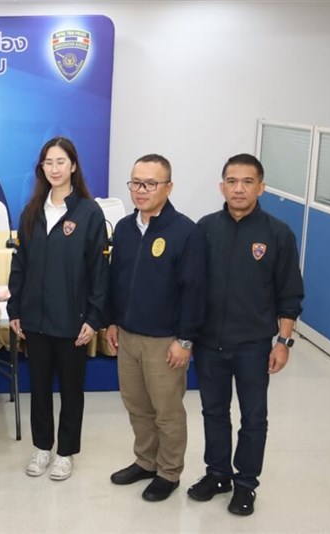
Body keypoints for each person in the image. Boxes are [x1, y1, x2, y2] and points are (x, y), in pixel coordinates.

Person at [187, 153, 304, 516]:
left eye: (247, 181)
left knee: (254, 418)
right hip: (209, 344)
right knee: (213, 412)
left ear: (261, 187)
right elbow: (191, 287)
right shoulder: (204, 228)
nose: (239, 188)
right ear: (221, 186)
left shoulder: (277, 233)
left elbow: (289, 294)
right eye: (232, 181)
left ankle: (246, 483)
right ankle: (217, 474)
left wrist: (282, 343)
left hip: (253, 345)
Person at [7, 136, 109, 481]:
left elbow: (99, 271)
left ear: (74, 166)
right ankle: (42, 448)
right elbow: (20, 264)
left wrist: (94, 318)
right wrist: (15, 309)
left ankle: (65, 452)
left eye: (61, 162)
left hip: (72, 320)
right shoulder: (32, 211)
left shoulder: (88, 212)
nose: (54, 168)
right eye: (48, 162)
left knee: (71, 389)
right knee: (38, 388)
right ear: (42, 167)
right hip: (34, 319)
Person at [105, 154, 206, 502]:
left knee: (167, 411)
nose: (141, 190)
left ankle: (168, 472)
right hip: (128, 335)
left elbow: (194, 290)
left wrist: (185, 340)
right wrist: (113, 321)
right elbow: (116, 280)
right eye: (135, 182)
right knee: (136, 406)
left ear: (169, 187)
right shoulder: (124, 228)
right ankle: (145, 462)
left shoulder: (185, 232)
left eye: (150, 183)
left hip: (166, 341)